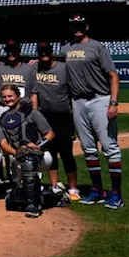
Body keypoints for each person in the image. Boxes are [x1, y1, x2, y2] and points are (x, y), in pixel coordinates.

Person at [64, 14, 124, 209]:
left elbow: (113, 76)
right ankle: (97, 190)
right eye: (74, 26)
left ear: (87, 26)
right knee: (88, 149)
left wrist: (113, 103)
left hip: (99, 99)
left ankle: (116, 194)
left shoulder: (97, 47)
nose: (77, 29)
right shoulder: (66, 49)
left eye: (80, 25)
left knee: (109, 147)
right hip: (78, 102)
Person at [0, 84, 56, 218]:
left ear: (18, 96)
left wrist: (38, 145)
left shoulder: (31, 112)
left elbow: (50, 134)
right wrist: (17, 152)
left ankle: (33, 205)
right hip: (18, 157)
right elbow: (3, 143)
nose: (7, 99)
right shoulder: (3, 118)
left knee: (28, 160)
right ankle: (39, 195)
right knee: (13, 203)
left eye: (10, 96)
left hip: (40, 156)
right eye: (4, 97)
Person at [33, 41, 79, 201]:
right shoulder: (34, 68)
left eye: (46, 51)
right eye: (41, 52)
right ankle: (54, 185)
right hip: (45, 117)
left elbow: (73, 92)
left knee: (66, 152)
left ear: (51, 52)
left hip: (64, 116)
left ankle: (73, 188)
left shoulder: (64, 68)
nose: (43, 54)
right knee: (49, 153)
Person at [0, 42, 38, 107]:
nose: (11, 54)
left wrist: (35, 113)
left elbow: (33, 94)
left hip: (23, 107)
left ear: (19, 51)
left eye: (13, 51)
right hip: (4, 107)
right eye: (8, 51)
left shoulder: (29, 70)